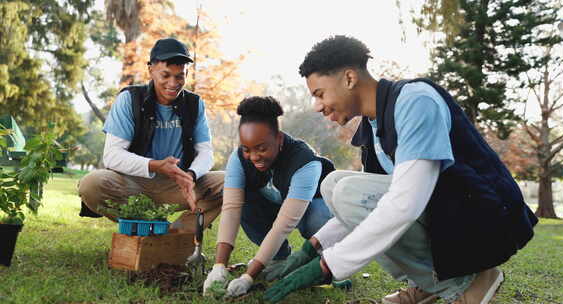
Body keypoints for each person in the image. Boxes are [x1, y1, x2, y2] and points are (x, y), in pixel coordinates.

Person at [264, 35, 538, 304]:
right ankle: (428, 281)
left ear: (349, 78)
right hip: (447, 218)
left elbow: (404, 203)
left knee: (346, 190)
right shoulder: (373, 128)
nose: (317, 106)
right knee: (334, 186)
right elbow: (369, 204)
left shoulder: (416, 101)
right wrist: (312, 248)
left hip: (488, 222)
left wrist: (327, 266)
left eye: (319, 94)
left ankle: (466, 283)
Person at [78, 38, 224, 233]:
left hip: (179, 185)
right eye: (166, 75)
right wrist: (156, 165)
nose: (173, 83)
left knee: (231, 182)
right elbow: (112, 156)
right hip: (134, 184)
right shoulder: (130, 99)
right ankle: (145, 226)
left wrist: (190, 175)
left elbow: (205, 153)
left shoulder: (195, 104)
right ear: (151, 70)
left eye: (180, 76)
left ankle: (177, 234)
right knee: (91, 184)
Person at [202, 96, 335, 298]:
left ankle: (323, 260)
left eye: (262, 148)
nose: (254, 156)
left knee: (317, 217)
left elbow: (284, 224)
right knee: (243, 200)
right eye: (247, 149)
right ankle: (279, 257)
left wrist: (248, 276)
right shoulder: (239, 159)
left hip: (311, 207)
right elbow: (230, 209)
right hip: (274, 203)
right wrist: (219, 265)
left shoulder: (305, 162)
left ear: (279, 139)